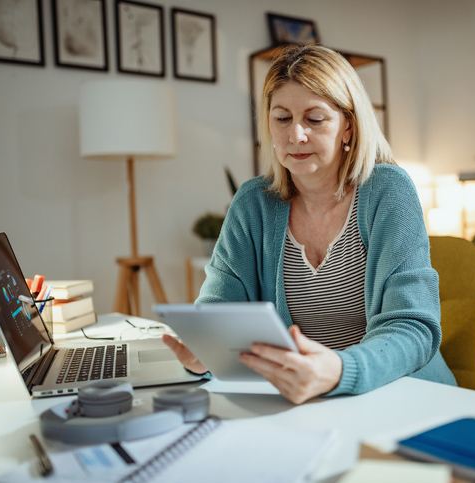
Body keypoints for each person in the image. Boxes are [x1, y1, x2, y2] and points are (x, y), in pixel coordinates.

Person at [163, 44, 456, 404]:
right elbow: (219, 311)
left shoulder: (388, 191)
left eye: (315, 119)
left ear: (348, 126)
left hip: (401, 395)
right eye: (282, 118)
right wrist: (204, 351)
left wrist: (339, 371)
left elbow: (414, 327)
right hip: (305, 402)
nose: (295, 135)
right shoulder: (252, 203)